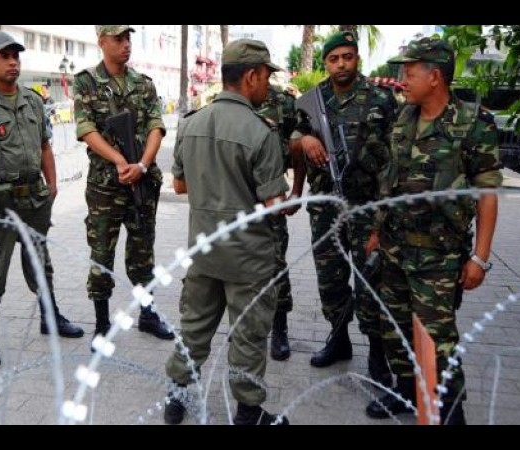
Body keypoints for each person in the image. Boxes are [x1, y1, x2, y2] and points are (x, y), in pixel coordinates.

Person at [364, 37, 503, 425]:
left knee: (438, 344)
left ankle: (451, 411)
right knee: (393, 333)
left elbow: (487, 194)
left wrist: (480, 256)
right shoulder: (403, 119)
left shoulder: (473, 124)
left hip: (437, 259)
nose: (402, 80)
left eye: (409, 73)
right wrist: (377, 230)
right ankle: (408, 394)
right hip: (394, 251)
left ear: (435, 76)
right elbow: (388, 181)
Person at [163, 39, 290, 426]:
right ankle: (249, 412)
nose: (268, 83)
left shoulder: (190, 124)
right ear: (251, 76)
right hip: (248, 260)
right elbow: (273, 205)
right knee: (248, 336)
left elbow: (180, 187)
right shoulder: (261, 133)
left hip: (203, 250)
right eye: (266, 75)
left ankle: (176, 399)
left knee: (194, 328)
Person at [0, 31, 84, 369]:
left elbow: (44, 147)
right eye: (4, 56)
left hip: (34, 199)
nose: (12, 62)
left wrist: (52, 185)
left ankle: (49, 317)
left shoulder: (33, 100)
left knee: (40, 261)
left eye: (16, 56)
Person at [290, 31, 397, 386]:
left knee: (371, 281)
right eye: (334, 59)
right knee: (330, 279)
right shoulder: (314, 98)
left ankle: (378, 356)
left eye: (347, 57)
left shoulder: (381, 98)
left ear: (357, 59)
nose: (341, 65)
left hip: (368, 206)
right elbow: (290, 137)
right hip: (326, 206)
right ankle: (338, 341)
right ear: (326, 63)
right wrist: (303, 140)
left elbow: (396, 155)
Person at [72, 25, 173, 343]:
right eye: (118, 38)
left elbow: (157, 125)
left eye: (128, 38)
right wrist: (119, 160)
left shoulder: (143, 84)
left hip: (141, 182)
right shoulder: (86, 81)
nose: (125, 44)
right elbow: (86, 127)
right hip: (106, 187)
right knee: (101, 254)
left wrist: (142, 164)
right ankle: (101, 323)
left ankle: (147, 314)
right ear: (101, 42)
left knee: (143, 253)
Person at [254, 83, 304, 361]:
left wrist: (297, 190)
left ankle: (280, 327)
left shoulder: (283, 102)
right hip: (238, 197)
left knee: (275, 263)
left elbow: (297, 147)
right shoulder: (231, 101)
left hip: (272, 194)